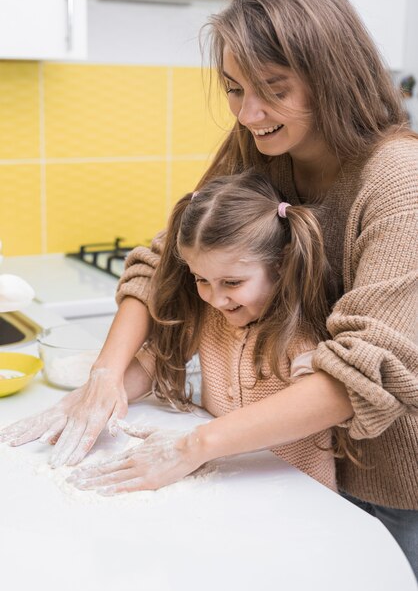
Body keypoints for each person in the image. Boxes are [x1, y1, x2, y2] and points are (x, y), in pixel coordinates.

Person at [1, 0, 417, 574]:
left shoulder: (400, 180)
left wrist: (192, 447)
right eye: (232, 88)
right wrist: (107, 376)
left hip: (388, 479)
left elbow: (365, 373)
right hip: (284, 458)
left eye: (273, 88)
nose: (248, 114)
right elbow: (163, 260)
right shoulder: (261, 144)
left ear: (331, 75)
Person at [69, 171, 340, 493]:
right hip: (229, 484)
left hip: (296, 492)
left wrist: (190, 446)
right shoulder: (211, 317)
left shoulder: (298, 333)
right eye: (201, 279)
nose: (216, 298)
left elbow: (311, 408)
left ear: (280, 264)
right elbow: (153, 360)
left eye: (233, 282)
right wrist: (90, 401)